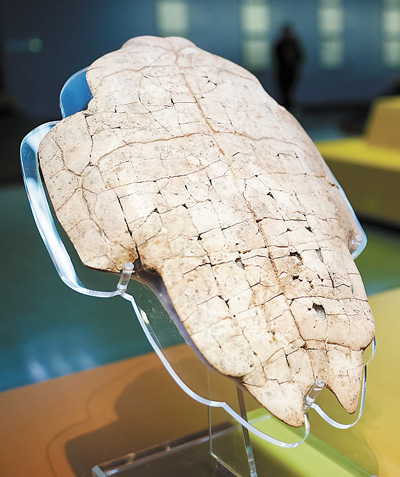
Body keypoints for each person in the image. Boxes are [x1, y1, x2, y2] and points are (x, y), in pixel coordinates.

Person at [273, 24, 305, 111]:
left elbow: (300, 56)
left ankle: (290, 107)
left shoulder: (294, 43)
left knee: (289, 91)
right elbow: (277, 58)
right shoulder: (280, 44)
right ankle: (286, 108)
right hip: (283, 72)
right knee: (284, 92)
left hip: (291, 71)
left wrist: (293, 64)